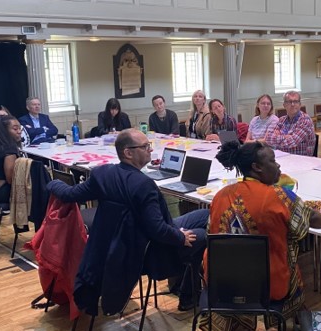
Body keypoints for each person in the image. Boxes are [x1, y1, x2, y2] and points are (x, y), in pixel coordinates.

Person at [202, 140, 321, 331]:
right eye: (273, 161)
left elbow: (211, 230)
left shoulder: (220, 196)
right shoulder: (277, 196)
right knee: (288, 253)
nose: (279, 166)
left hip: (220, 285)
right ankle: (303, 321)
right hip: (267, 286)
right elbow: (309, 217)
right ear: (257, 167)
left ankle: (237, 324)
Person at [46, 128, 208, 312]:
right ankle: (188, 296)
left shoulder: (102, 174)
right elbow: (157, 229)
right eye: (145, 146)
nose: (150, 150)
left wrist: (51, 182)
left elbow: (69, 194)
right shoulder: (143, 185)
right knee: (203, 235)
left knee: (205, 215)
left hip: (120, 244)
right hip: (145, 250)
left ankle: (185, 289)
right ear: (128, 153)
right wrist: (180, 237)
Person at [264, 91, 315, 156]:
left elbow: (292, 142)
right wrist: (286, 136)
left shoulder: (305, 120)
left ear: (300, 104)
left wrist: (278, 137)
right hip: (282, 158)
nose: (292, 104)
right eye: (289, 101)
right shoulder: (281, 120)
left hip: (301, 161)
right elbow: (268, 138)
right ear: (284, 105)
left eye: (295, 101)